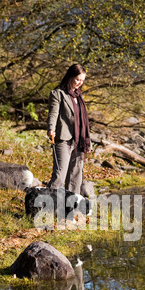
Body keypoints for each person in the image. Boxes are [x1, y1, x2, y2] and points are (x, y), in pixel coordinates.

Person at [47, 63, 91, 195]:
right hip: (63, 139)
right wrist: (51, 128)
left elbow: (83, 120)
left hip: (79, 141)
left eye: (82, 80)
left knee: (75, 176)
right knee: (59, 175)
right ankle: (47, 204)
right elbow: (53, 114)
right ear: (70, 76)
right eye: (77, 79)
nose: (79, 83)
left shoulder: (79, 96)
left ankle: (70, 209)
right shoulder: (57, 94)